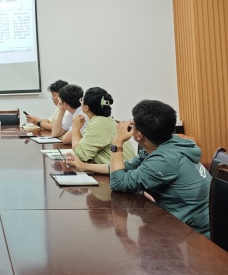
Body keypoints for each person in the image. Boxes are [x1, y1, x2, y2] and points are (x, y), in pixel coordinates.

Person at [66, 99, 211, 237]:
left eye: (133, 122)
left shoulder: (165, 159)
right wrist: (84, 166)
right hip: (181, 219)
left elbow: (119, 183)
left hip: (196, 232)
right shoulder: (167, 143)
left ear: (139, 135)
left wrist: (117, 141)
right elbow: (125, 168)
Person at [70, 86, 135, 163]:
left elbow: (80, 155)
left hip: (122, 169)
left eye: (82, 100)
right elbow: (83, 146)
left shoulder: (99, 123)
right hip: (119, 167)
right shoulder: (103, 120)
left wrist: (75, 128)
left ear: (86, 107)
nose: (81, 102)